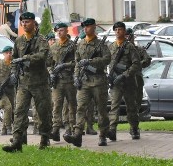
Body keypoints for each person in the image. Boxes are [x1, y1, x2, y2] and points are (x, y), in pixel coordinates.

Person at [3, 11, 52, 152]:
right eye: (22, 22)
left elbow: (43, 56)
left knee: (43, 112)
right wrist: (14, 73)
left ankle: (44, 139)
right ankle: (17, 142)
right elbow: (14, 60)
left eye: (27, 22)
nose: (25, 24)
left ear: (33, 23)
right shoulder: (19, 40)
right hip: (24, 82)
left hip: (39, 82)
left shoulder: (41, 40)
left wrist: (26, 58)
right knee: (19, 111)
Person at [64, 18, 110, 147]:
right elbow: (77, 63)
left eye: (88, 27)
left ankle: (102, 135)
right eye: (84, 27)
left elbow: (107, 59)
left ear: (94, 27)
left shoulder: (101, 44)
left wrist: (91, 61)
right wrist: (76, 77)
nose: (85, 29)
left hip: (98, 81)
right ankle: (77, 135)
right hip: (84, 82)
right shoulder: (81, 44)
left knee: (101, 110)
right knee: (80, 108)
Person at [106, 22, 142, 142]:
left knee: (131, 107)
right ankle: (112, 130)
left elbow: (136, 64)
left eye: (120, 29)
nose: (118, 32)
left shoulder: (129, 47)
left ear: (124, 31)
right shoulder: (111, 47)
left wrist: (124, 75)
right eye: (116, 30)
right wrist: (109, 76)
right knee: (114, 106)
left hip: (129, 82)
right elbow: (108, 63)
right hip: (116, 83)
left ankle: (134, 128)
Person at [48, 22, 76, 142]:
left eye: (62, 30)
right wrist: (51, 73)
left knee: (71, 105)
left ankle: (70, 128)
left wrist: (65, 65)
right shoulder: (53, 47)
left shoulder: (72, 45)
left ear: (67, 31)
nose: (60, 33)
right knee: (57, 105)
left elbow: (77, 62)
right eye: (58, 31)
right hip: (57, 82)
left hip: (69, 80)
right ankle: (55, 130)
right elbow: (49, 63)